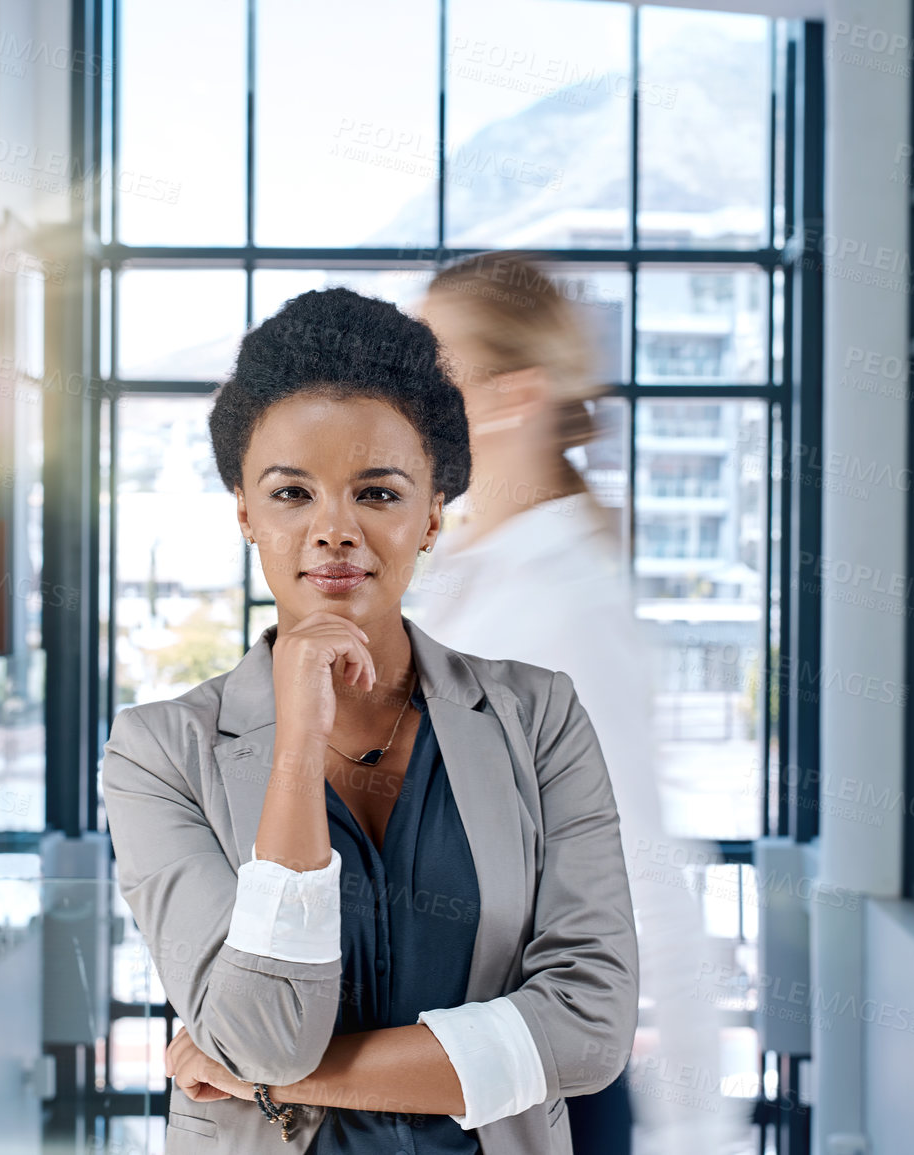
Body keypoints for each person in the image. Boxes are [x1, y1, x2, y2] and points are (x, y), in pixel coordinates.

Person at [102, 287, 639, 1154]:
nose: (334, 531)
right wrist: (295, 747)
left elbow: (587, 1027)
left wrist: (278, 1074)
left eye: (378, 493)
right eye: (291, 493)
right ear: (244, 511)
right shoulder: (158, 753)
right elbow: (265, 1030)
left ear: (432, 513)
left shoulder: (539, 717)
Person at [413, 253, 736, 1155]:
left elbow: (642, 872)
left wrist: (696, 1131)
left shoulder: (564, 604)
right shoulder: (463, 578)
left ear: (513, 395)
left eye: (430, 365)